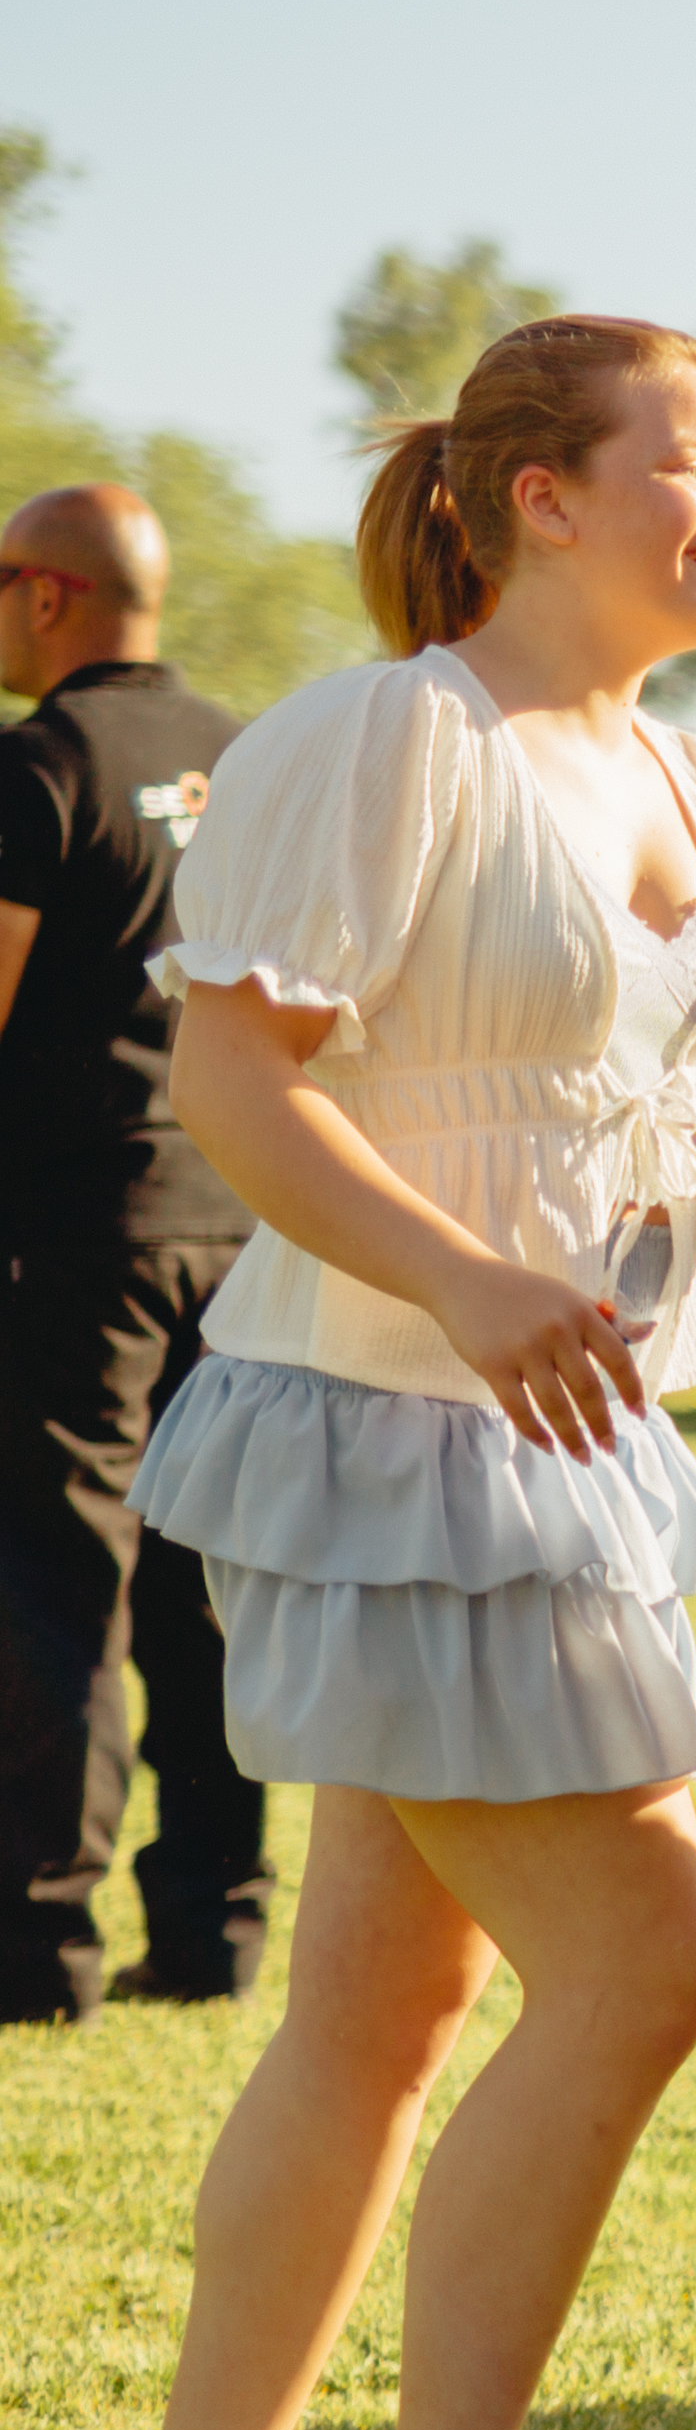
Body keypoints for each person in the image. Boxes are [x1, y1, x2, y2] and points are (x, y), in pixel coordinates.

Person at [45, 322, 696, 2430]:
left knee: (379, 2006)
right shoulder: (386, 736)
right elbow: (236, 1072)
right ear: (540, 496)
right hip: (386, 1437)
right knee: (643, 1965)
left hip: (571, 1445)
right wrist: (464, 1271)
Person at [0, 482, 268, 2015]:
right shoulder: (253, 759)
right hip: (241, 1226)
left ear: (46, 596)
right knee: (201, 1590)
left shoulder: (38, 766)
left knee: (52, 1581)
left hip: (72, 1241)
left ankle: (39, 1946)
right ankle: (216, 1932)